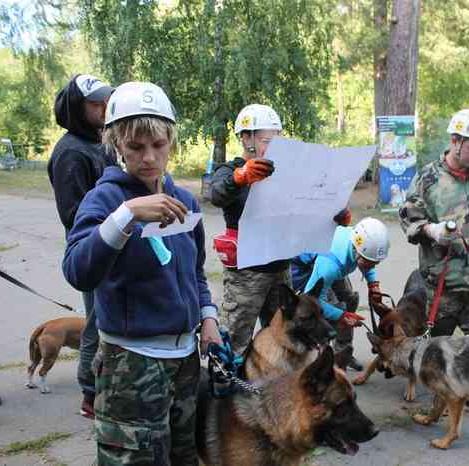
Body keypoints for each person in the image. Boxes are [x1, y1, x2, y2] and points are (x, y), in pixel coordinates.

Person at [62, 82, 222, 466]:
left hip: (185, 361)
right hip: (131, 364)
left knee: (184, 456)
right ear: (116, 143)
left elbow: (193, 273)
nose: (149, 158)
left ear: (171, 142)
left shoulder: (183, 201)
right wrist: (127, 216)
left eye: (158, 145)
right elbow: (77, 270)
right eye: (136, 147)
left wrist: (209, 317)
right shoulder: (105, 200)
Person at [399, 109, 469, 424]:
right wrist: (433, 231)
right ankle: (439, 405)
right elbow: (410, 217)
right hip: (443, 285)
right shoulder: (428, 177)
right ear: (455, 140)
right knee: (440, 351)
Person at [47, 74, 117, 419]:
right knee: (97, 322)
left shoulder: (99, 143)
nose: (104, 107)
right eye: (95, 103)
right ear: (77, 108)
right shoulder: (71, 152)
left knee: (107, 317)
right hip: (94, 251)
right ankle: (90, 395)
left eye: (107, 100)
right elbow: (74, 215)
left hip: (116, 246)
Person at [209, 104, 288, 354]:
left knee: (282, 336)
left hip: (280, 268)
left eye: (278, 141)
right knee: (234, 338)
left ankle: (273, 385)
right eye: (267, 140)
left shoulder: (285, 173)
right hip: (246, 273)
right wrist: (240, 177)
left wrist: (332, 214)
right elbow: (216, 194)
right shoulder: (229, 171)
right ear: (246, 138)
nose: (273, 147)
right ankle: (228, 387)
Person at [291, 217, 390, 368]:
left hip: (337, 266)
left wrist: (373, 284)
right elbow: (313, 300)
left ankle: (343, 354)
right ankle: (322, 361)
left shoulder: (358, 241)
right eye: (371, 262)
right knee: (330, 312)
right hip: (308, 270)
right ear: (357, 252)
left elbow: (369, 261)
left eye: (376, 262)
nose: (374, 266)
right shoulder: (329, 267)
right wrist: (342, 316)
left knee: (350, 299)